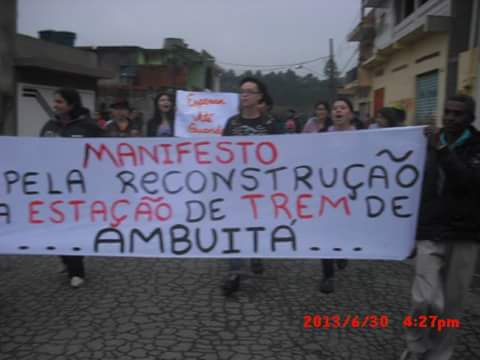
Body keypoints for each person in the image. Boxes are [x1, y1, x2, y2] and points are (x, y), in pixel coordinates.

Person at [400, 95, 480, 360]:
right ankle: (416, 346)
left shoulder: (476, 147)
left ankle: (440, 353)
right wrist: (409, 230)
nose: (449, 118)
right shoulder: (427, 142)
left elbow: (467, 182)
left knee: (452, 305)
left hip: (464, 235)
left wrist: (442, 150)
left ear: (470, 119)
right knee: (424, 299)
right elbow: (415, 186)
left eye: (457, 114)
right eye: (447, 112)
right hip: (430, 231)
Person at [40, 87, 104, 288]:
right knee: (56, 226)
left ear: (71, 104)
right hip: (54, 187)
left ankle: (77, 270)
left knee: (74, 228)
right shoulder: (50, 126)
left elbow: (109, 151)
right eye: (55, 101)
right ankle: (66, 259)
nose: (55, 105)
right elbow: (37, 151)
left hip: (81, 189)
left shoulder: (90, 128)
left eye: (59, 101)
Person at [221, 77, 280, 296]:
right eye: (241, 91)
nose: (244, 95)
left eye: (249, 91)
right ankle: (234, 272)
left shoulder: (271, 125)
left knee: (258, 225)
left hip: (262, 188)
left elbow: (281, 154)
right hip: (236, 187)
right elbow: (222, 153)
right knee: (234, 228)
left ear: (259, 97)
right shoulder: (232, 123)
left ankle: (256, 253)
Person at [318, 97, 362, 294]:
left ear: (350, 113)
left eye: (342, 107)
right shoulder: (321, 136)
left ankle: (343, 251)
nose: (338, 111)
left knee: (344, 229)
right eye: (335, 107)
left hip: (352, 194)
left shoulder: (363, 137)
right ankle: (328, 275)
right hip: (327, 193)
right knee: (325, 233)